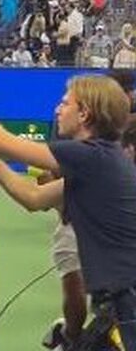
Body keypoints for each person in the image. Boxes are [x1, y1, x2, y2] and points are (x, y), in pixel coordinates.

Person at [0, 74, 136, 351]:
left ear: (84, 114)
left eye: (65, 103)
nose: (58, 109)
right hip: (118, 302)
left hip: (126, 301)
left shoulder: (89, 156)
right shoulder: (102, 162)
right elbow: (32, 198)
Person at [42, 68, 136, 350]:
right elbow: (37, 192)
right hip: (88, 224)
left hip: (119, 246)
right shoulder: (84, 143)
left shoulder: (106, 153)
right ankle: (71, 336)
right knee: (83, 288)